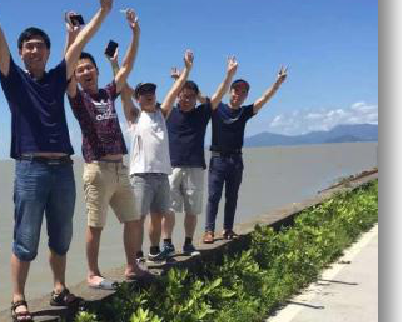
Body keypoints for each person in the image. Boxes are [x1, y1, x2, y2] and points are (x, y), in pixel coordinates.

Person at [0, 0, 116, 322]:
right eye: (28, 46)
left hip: (63, 168)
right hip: (31, 167)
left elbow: (80, 43)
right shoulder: (13, 78)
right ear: (20, 53)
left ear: (49, 52)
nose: (34, 50)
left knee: (62, 234)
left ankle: (59, 287)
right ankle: (18, 298)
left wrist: (102, 12)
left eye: (39, 46)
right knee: (25, 236)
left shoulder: (57, 77)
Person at [65, 9, 151, 288]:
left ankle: (131, 266)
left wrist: (136, 34)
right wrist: (72, 37)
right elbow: (67, 65)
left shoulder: (107, 94)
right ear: (76, 76)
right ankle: (93, 273)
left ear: (97, 71)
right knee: (96, 224)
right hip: (97, 169)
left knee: (133, 220)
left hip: (120, 169)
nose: (85, 72)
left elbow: (126, 68)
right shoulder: (78, 99)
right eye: (80, 70)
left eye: (89, 68)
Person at [119, 50, 195, 262]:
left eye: (151, 91)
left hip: (162, 175)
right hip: (141, 176)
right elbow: (123, 90)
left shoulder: (162, 114)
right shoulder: (134, 116)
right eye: (143, 92)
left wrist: (187, 69)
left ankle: (153, 250)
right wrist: (115, 65)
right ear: (137, 98)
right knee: (137, 218)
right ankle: (137, 254)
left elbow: (175, 89)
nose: (149, 94)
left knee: (158, 216)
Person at [161, 57, 239, 256]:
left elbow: (218, 95)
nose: (186, 99)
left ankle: (188, 243)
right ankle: (167, 243)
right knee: (168, 209)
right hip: (171, 167)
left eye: (190, 97)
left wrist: (229, 75)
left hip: (195, 167)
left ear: (196, 98)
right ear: (177, 95)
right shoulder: (168, 113)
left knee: (192, 209)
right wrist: (180, 79)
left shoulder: (202, 113)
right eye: (183, 96)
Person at [204, 67, 288, 243]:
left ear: (246, 96)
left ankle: (228, 229)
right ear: (230, 91)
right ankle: (209, 231)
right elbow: (204, 96)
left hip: (236, 160)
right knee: (213, 196)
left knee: (232, 197)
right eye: (236, 90)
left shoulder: (244, 112)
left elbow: (264, 99)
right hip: (218, 159)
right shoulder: (217, 108)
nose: (238, 94)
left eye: (243, 92)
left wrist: (277, 83)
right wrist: (229, 74)